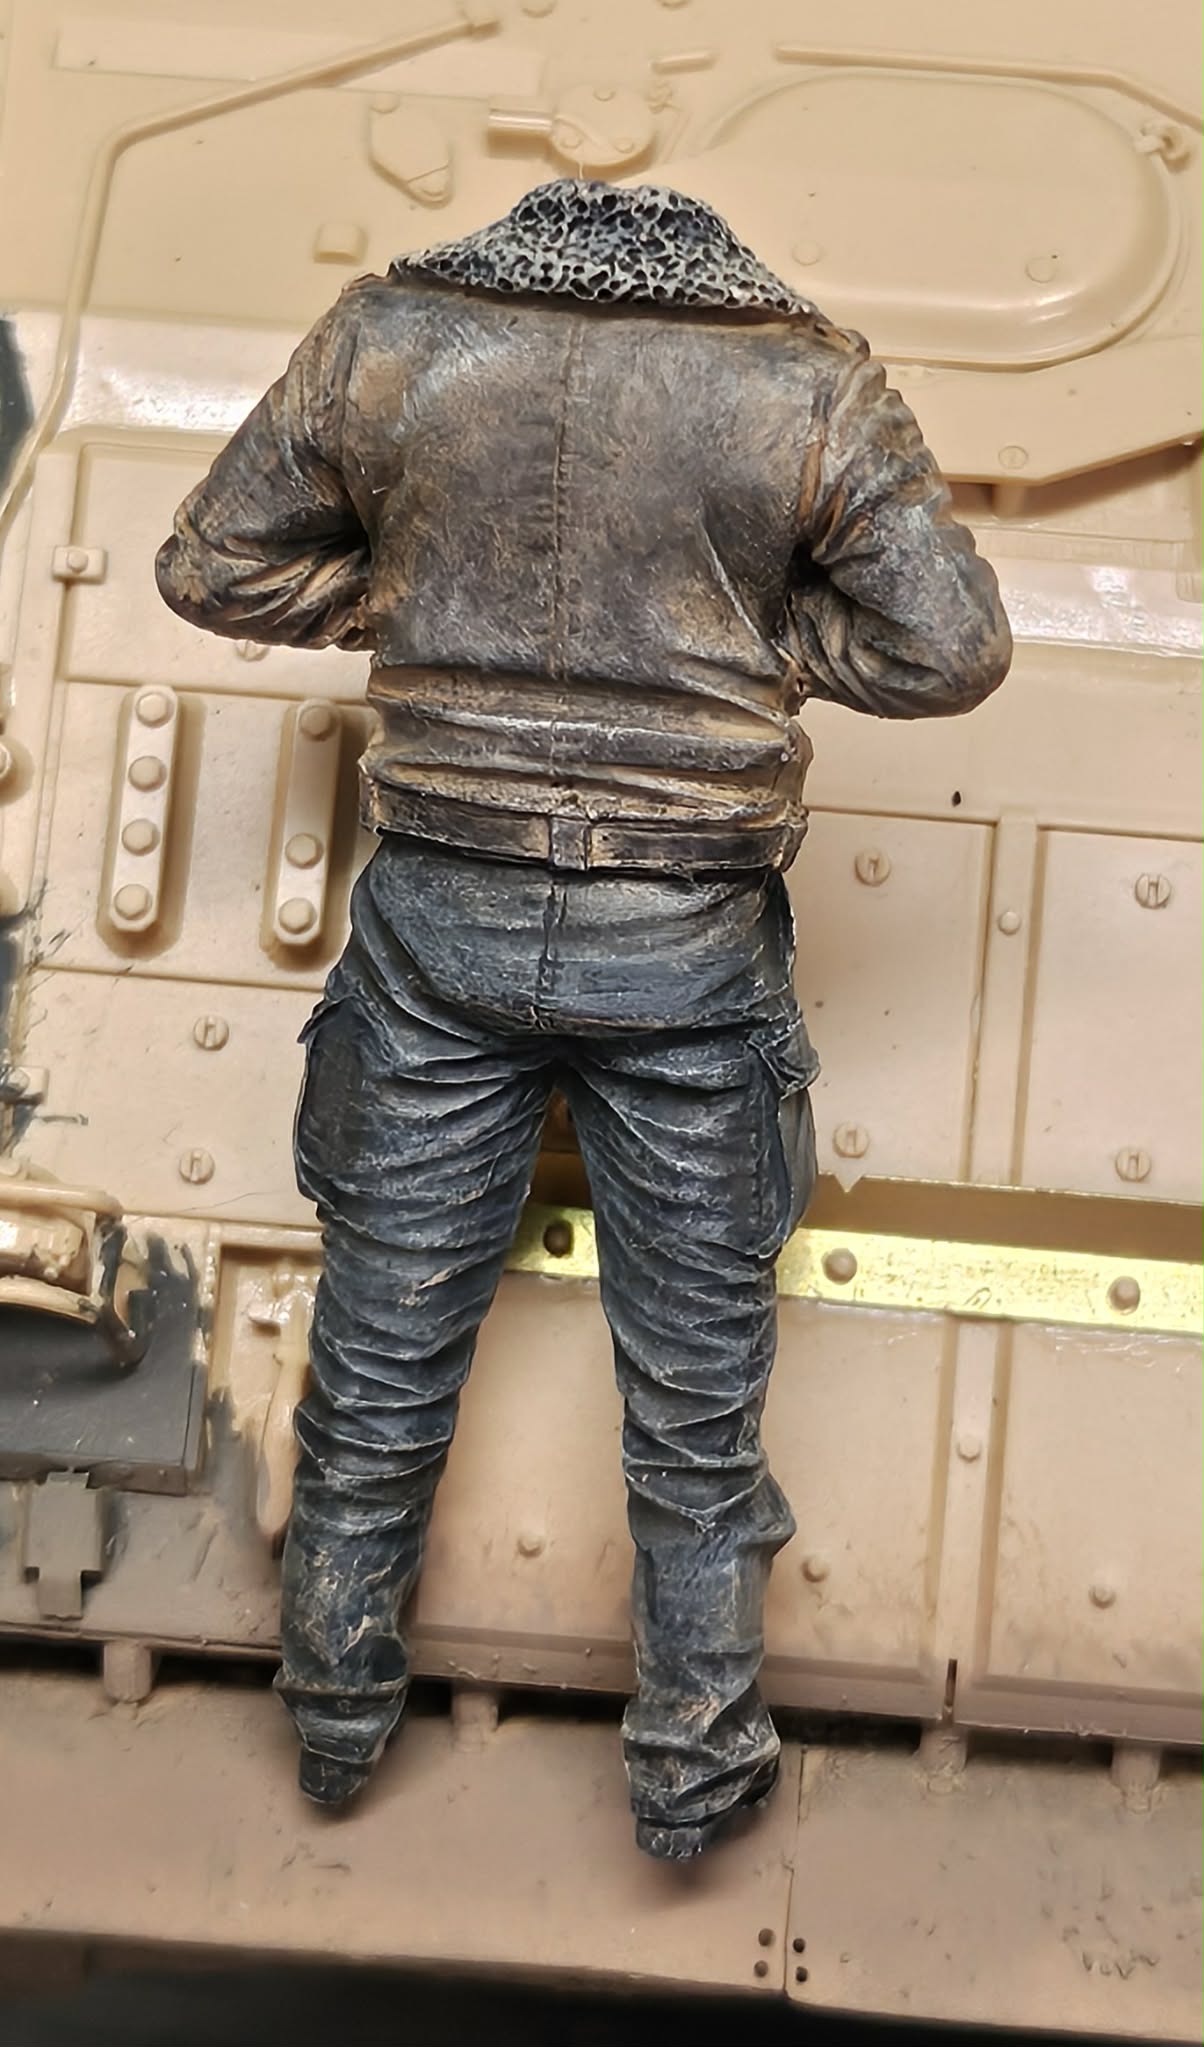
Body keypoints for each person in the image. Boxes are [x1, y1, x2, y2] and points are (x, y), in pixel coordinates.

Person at [156, 179, 1011, 1860]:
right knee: (695, 1412)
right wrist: (764, 640)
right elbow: (953, 648)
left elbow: (210, 565)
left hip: (439, 929)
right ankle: (692, 1777)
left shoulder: (391, 337)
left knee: (380, 1365)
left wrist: (404, 600)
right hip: (683, 947)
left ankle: (332, 1726)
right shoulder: (806, 380)